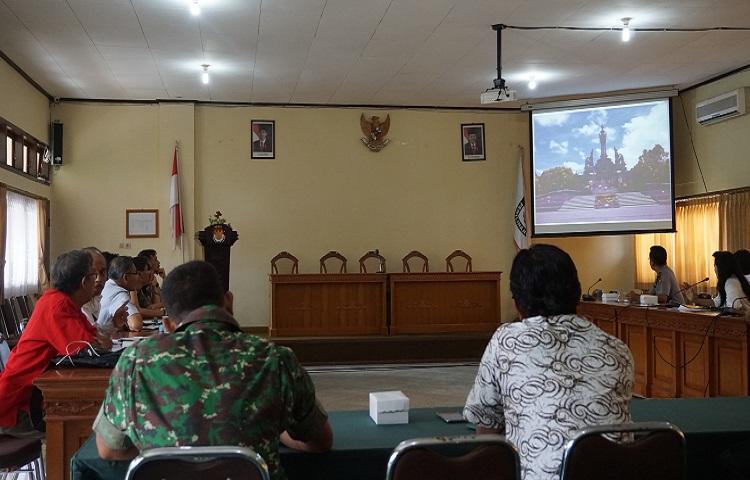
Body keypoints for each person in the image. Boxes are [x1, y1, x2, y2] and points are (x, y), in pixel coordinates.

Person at [93, 261, 333, 479]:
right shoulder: (275, 359)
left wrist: (159, 445)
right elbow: (319, 441)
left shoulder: (135, 361)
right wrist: (275, 430)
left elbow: (108, 448)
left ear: (168, 324)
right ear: (228, 301)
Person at [464, 244, 633, 480]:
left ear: (517, 303)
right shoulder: (618, 349)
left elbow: (486, 428)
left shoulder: (506, 340)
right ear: (577, 293)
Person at [0, 250, 112, 437]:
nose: (99, 281)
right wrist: (98, 343)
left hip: (36, 398)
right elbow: (89, 350)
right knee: (88, 427)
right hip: (19, 408)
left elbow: (95, 339)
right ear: (85, 282)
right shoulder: (58, 306)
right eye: (95, 276)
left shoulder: (64, 301)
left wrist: (99, 342)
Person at [684, 251, 750, 309]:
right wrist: (695, 299)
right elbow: (717, 302)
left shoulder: (731, 282)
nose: (714, 270)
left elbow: (734, 308)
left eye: (714, 266)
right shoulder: (727, 281)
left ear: (721, 267)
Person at [98, 256, 144, 332]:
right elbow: (136, 325)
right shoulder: (119, 293)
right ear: (126, 278)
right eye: (136, 273)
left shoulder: (108, 285)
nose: (139, 277)